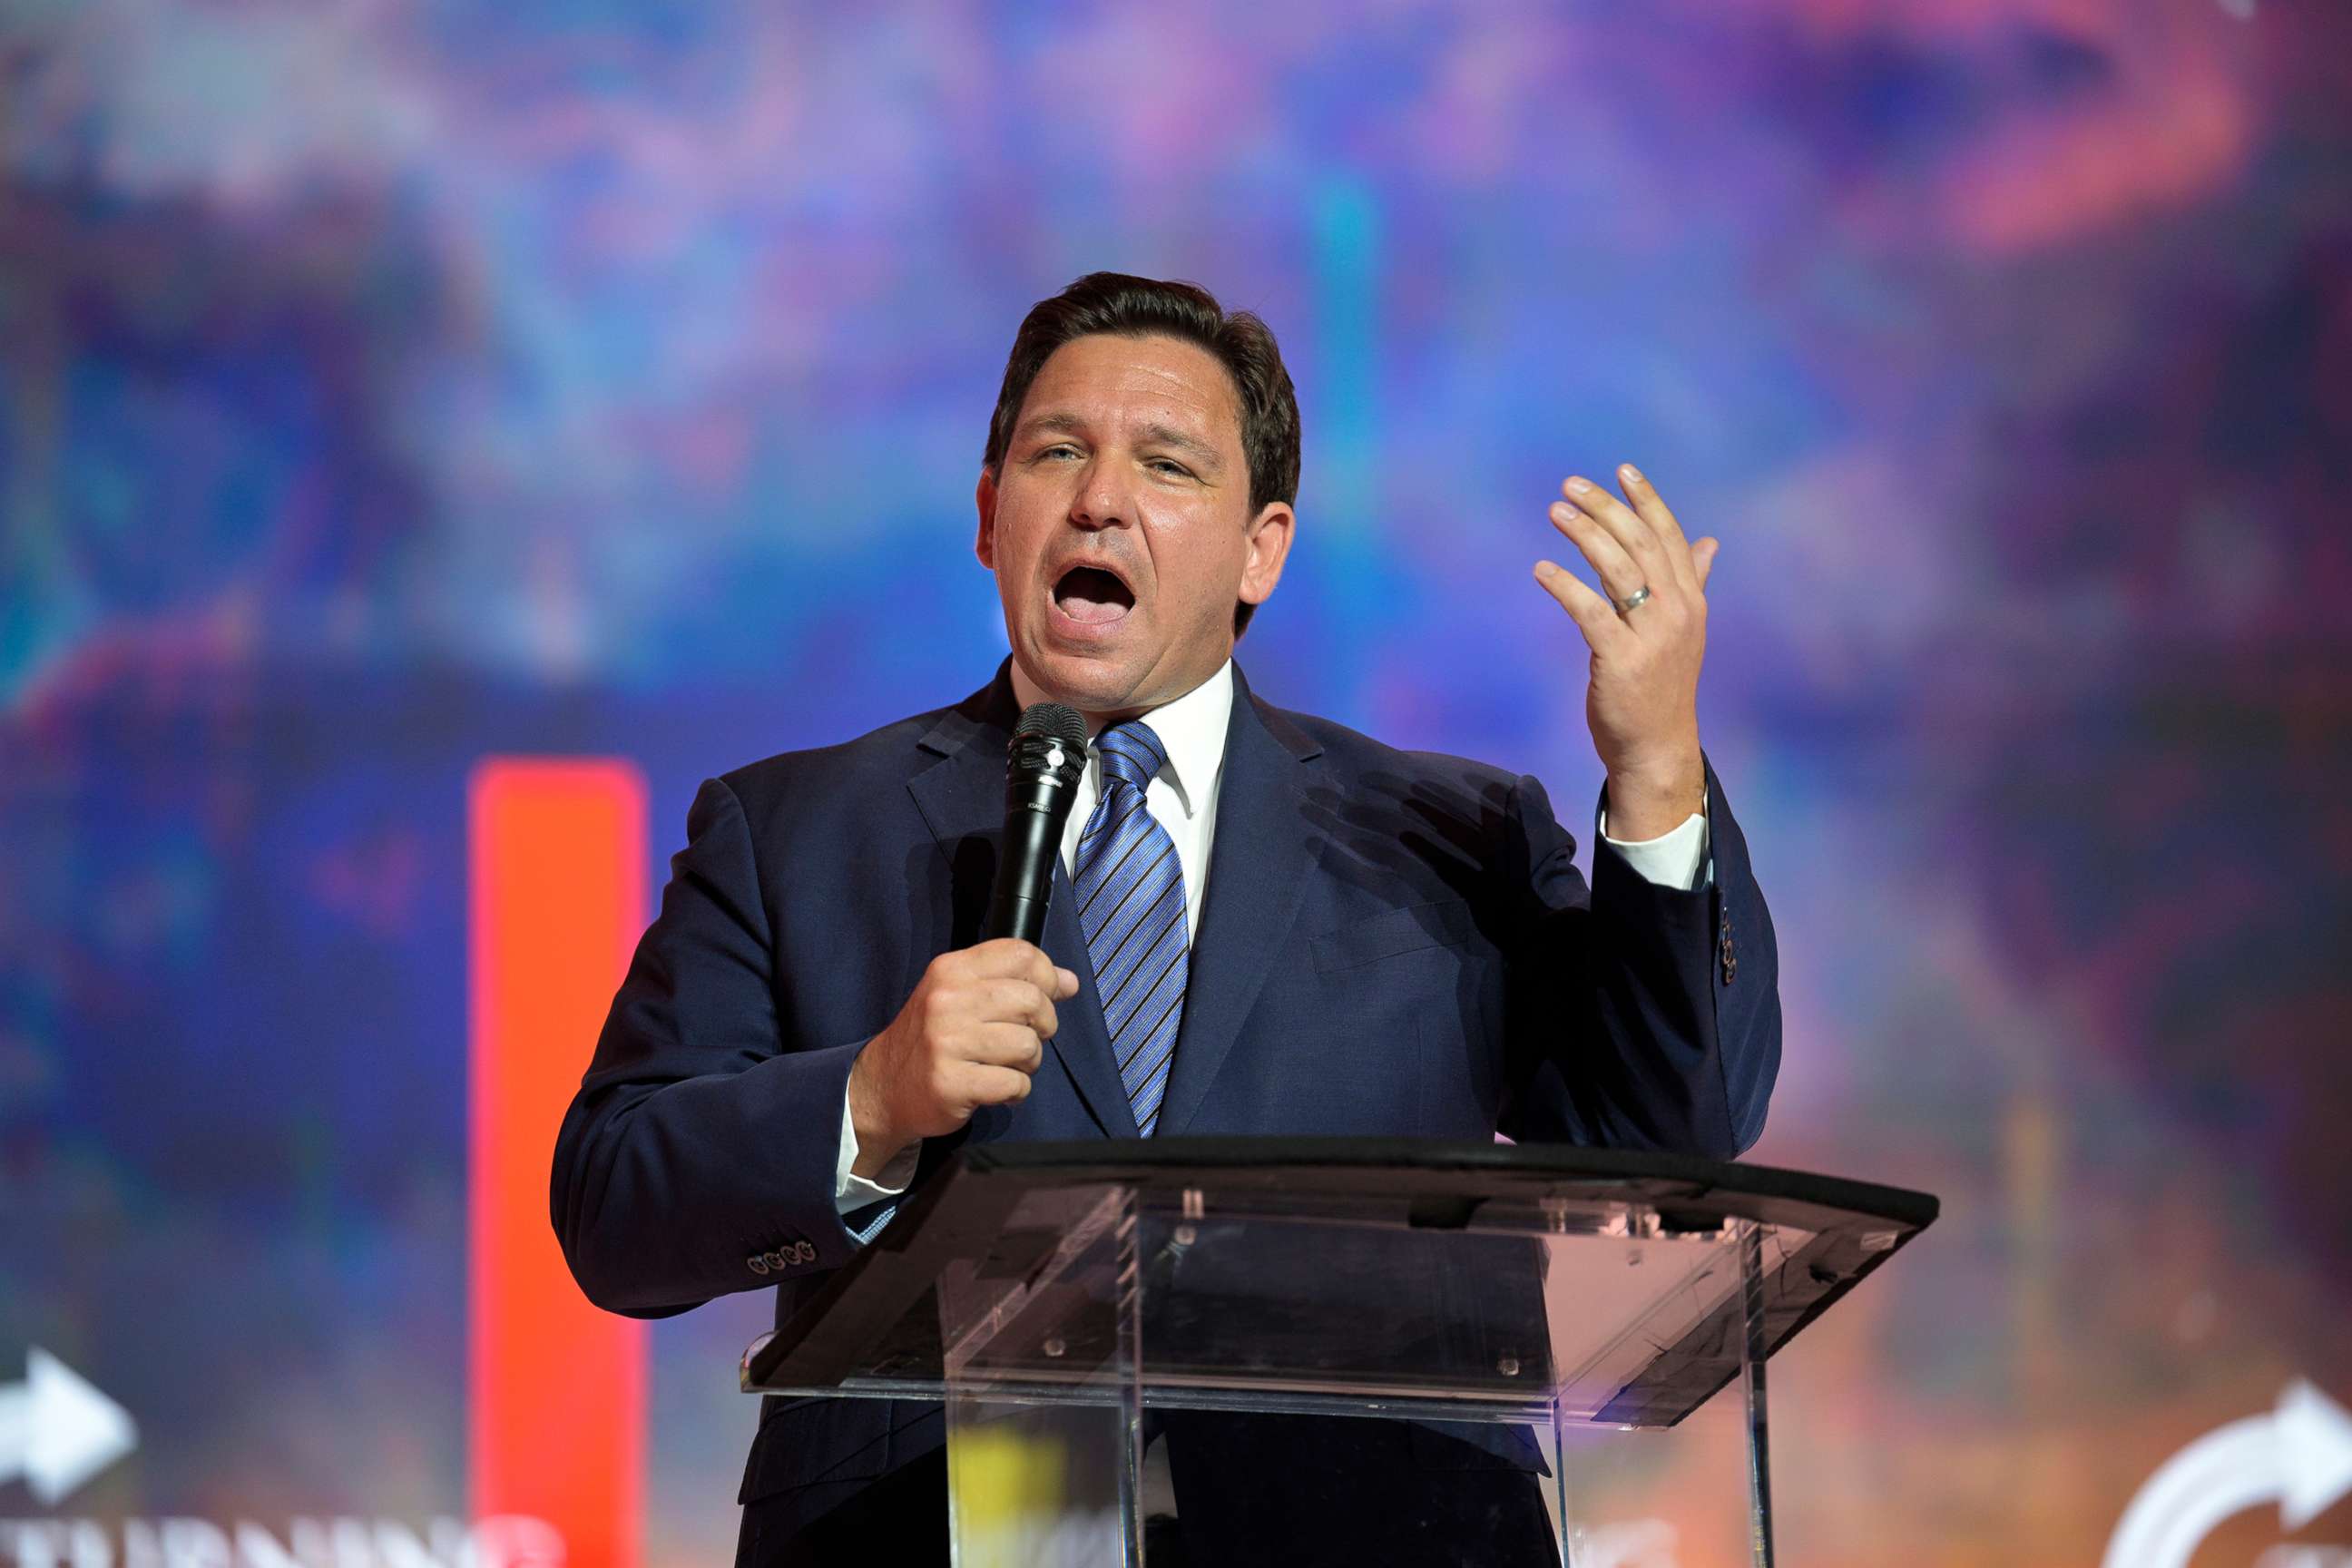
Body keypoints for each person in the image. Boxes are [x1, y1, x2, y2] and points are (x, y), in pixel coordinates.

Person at [551, 272, 1780, 1566]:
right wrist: (868, 1099)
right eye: (1057, 451)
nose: (1099, 497)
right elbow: (615, 1209)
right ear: (989, 514)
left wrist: (1656, 777)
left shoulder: (1452, 838)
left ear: (1263, 547)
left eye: (1169, 464)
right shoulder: (794, 830)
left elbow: (1670, 1135)